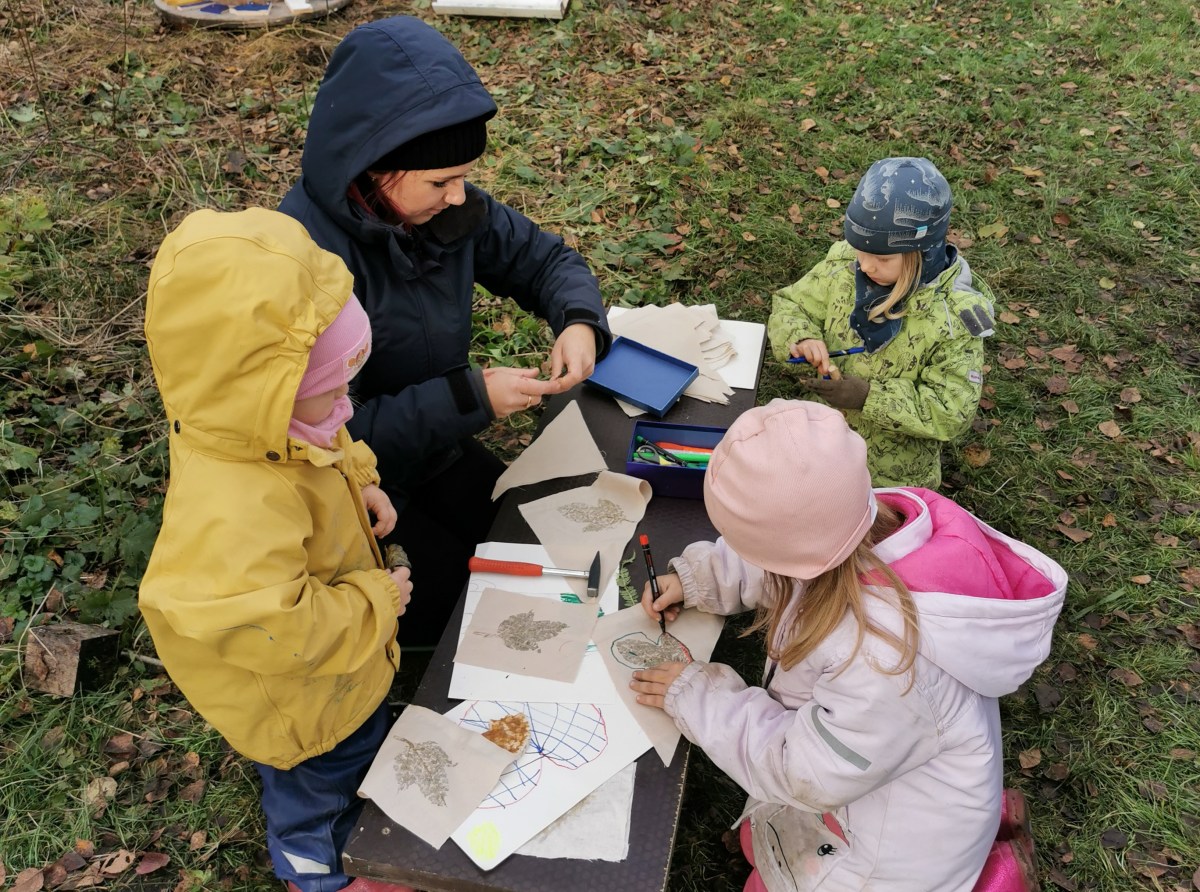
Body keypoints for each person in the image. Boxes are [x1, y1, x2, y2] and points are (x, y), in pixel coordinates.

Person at [629, 400, 1066, 891]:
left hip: (891, 860)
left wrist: (698, 696)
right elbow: (776, 552)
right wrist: (699, 577)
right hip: (871, 777)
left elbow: (803, 772)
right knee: (765, 838)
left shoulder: (884, 661)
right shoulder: (851, 521)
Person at [279, 15, 613, 646]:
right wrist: (469, 399)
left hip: (437, 444)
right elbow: (318, 438)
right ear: (375, 168)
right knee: (455, 614)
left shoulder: (441, 210)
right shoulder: (300, 263)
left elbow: (546, 261)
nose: (460, 197)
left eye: (463, 176)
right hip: (355, 485)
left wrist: (577, 320)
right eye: (441, 181)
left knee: (529, 553)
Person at [139, 208, 417, 892]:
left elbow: (327, 447)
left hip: (342, 669)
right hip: (300, 700)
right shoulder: (233, 507)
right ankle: (315, 874)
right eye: (332, 396)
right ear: (263, 398)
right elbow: (276, 626)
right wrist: (376, 599)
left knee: (356, 755)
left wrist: (364, 480)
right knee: (315, 794)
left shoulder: (268, 426)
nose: (347, 410)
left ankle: (357, 816)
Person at [767, 156, 996, 489]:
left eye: (883, 258)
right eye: (861, 250)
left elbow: (951, 411)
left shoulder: (953, 319)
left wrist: (867, 397)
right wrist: (803, 338)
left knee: (873, 540)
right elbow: (792, 304)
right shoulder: (845, 267)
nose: (867, 266)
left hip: (890, 478)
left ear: (924, 252)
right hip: (819, 451)